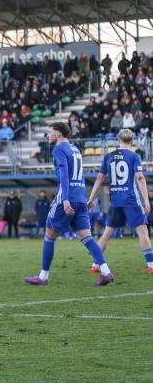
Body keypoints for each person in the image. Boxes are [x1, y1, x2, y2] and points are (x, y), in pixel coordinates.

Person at [24, 122, 112, 286]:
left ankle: (43, 277)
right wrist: (84, 198)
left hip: (66, 198)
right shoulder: (75, 149)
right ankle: (106, 272)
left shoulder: (58, 149)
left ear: (58, 134)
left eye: (50, 132)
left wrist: (64, 199)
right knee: (86, 237)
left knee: (49, 235)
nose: (48, 135)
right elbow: (80, 174)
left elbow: (64, 176)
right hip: (80, 197)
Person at [87, 129, 152, 274]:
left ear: (118, 140)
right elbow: (140, 178)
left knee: (107, 233)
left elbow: (99, 179)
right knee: (142, 231)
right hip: (130, 200)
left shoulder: (109, 156)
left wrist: (90, 199)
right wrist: (146, 201)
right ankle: (152, 265)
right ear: (132, 141)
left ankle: (96, 264)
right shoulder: (134, 156)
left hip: (115, 200)